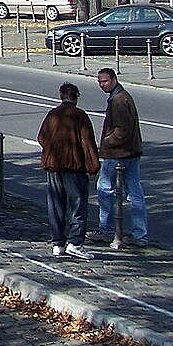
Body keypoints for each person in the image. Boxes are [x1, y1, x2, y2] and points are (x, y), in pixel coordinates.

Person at [36, 82, 100, 258]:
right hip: (74, 166)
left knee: (56, 205)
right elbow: (87, 143)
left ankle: (58, 243)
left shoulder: (53, 115)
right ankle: (75, 242)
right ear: (76, 96)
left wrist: (52, 150)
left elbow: (42, 137)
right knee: (77, 204)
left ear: (60, 95)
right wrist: (93, 166)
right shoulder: (80, 116)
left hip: (53, 165)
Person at [93, 68, 148, 247]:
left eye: (105, 81)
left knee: (105, 189)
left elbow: (122, 131)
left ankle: (107, 230)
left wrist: (106, 143)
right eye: (100, 82)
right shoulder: (121, 96)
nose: (102, 85)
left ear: (114, 79)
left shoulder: (119, 100)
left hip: (118, 153)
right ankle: (139, 235)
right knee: (134, 193)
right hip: (132, 152)